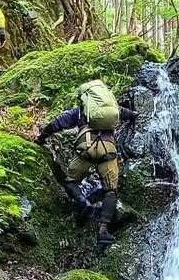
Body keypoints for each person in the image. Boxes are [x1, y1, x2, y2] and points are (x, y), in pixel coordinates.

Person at [36, 78, 137, 255]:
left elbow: (56, 124)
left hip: (86, 149)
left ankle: (84, 202)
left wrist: (41, 138)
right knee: (110, 191)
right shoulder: (113, 111)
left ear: (84, 98)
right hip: (108, 149)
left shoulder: (80, 112)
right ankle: (103, 231)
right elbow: (130, 114)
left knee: (70, 181)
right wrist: (135, 115)